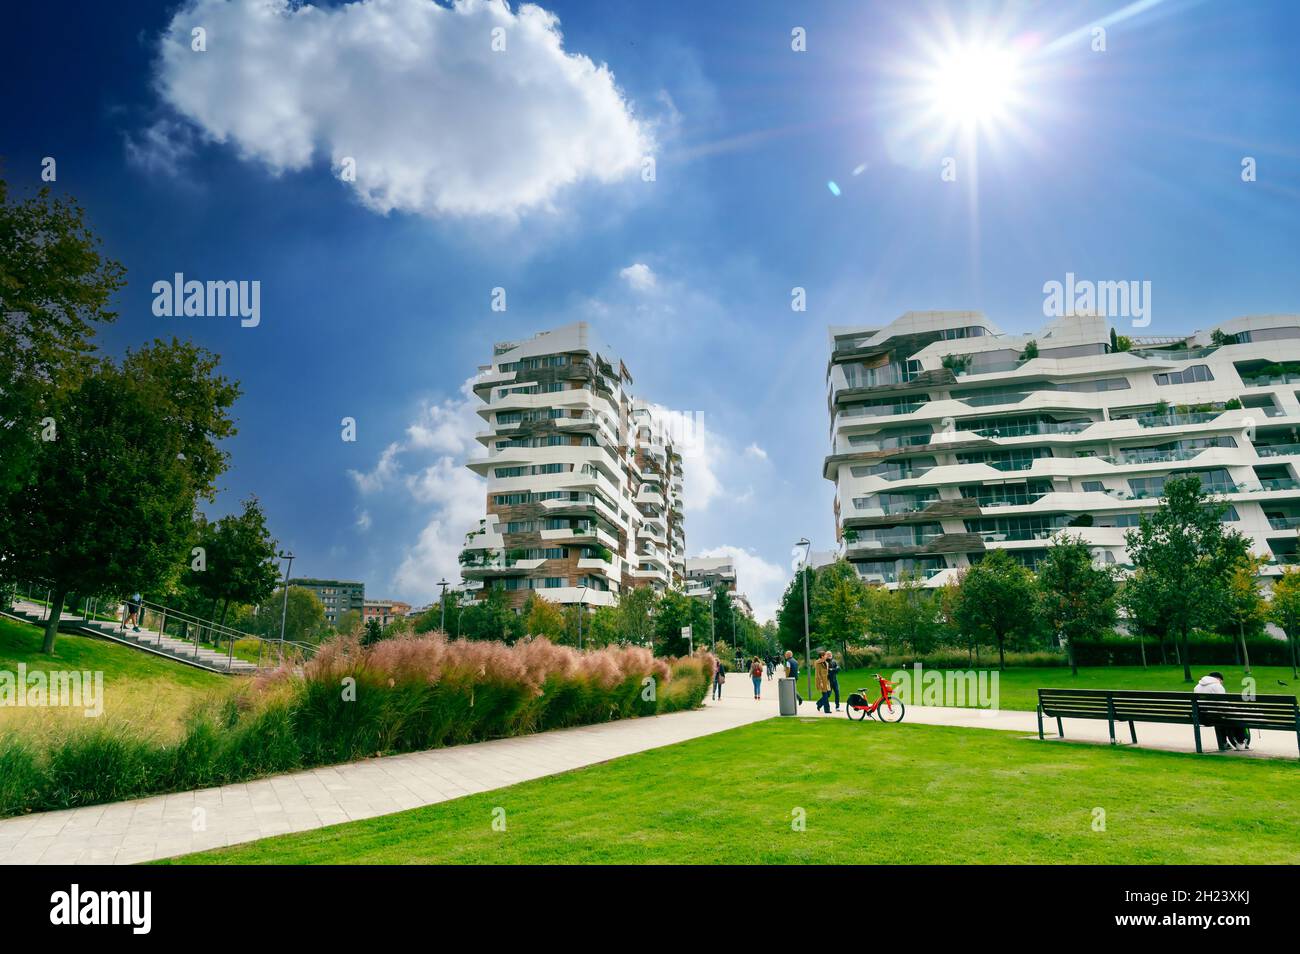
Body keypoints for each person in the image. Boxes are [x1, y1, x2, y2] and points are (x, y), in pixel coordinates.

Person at [1194, 671, 1249, 751]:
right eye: (1221, 682)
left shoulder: (1197, 687)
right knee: (1237, 719)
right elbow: (1224, 705)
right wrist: (1235, 713)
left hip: (1202, 717)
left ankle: (1223, 742)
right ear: (1219, 679)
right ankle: (1240, 743)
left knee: (1221, 719)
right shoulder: (1217, 686)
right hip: (1216, 717)